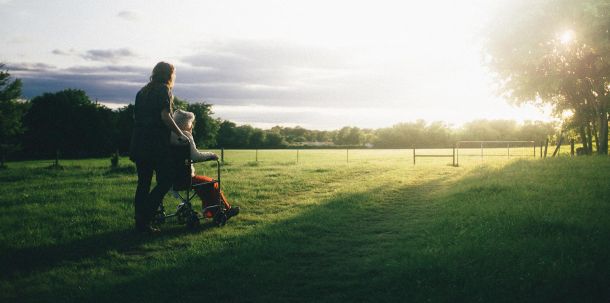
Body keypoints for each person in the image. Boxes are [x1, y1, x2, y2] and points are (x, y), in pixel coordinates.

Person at [129, 62, 189, 233]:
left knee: (143, 183)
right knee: (166, 179)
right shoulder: (164, 90)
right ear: (169, 75)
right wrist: (180, 134)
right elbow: (165, 116)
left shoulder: (142, 92)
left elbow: (137, 117)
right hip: (155, 144)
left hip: (139, 142)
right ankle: (146, 216)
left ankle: (141, 223)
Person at [170, 109, 240, 219]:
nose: (192, 126)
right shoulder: (186, 136)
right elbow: (196, 156)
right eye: (191, 123)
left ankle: (215, 210)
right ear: (185, 124)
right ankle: (222, 210)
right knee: (211, 183)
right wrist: (212, 155)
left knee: (204, 183)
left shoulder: (168, 136)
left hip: (170, 178)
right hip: (186, 177)